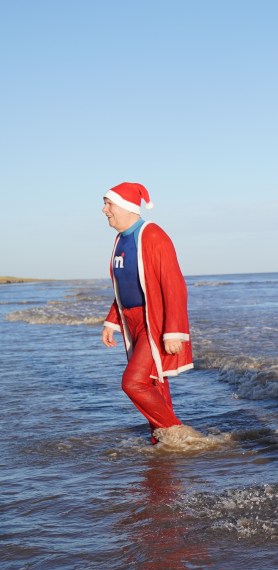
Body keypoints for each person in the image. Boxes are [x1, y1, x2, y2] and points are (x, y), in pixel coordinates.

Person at [100, 182, 195, 443]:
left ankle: (179, 433)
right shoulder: (121, 239)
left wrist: (174, 331)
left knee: (133, 382)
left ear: (126, 207)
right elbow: (126, 283)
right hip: (131, 321)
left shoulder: (152, 235)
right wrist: (113, 321)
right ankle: (160, 439)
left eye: (109, 204)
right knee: (153, 383)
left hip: (154, 321)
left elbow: (174, 284)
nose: (104, 210)